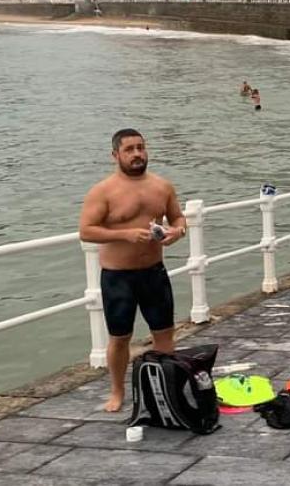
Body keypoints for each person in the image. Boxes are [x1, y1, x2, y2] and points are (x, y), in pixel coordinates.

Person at [78, 129, 186, 413]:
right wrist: (124, 235)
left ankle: (164, 387)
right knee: (120, 337)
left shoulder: (162, 186)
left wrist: (178, 231)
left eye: (140, 147)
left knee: (164, 333)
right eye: (130, 149)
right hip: (118, 277)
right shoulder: (103, 191)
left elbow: (177, 216)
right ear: (116, 155)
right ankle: (117, 391)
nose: (137, 154)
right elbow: (86, 231)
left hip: (153, 272)